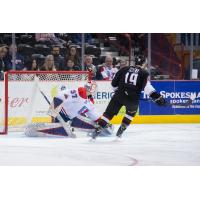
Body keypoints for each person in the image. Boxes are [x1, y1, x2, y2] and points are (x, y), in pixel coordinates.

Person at [91, 55, 166, 139]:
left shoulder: (124, 69)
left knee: (108, 114)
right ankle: (120, 132)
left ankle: (97, 131)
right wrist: (157, 97)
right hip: (133, 99)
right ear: (143, 64)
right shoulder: (144, 73)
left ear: (134, 62)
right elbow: (147, 88)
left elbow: (113, 84)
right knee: (129, 115)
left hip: (119, 95)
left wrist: (119, 92)